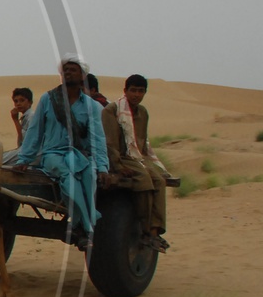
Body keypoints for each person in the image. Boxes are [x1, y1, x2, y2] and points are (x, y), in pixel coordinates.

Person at [14, 56, 109, 248]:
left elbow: (97, 139)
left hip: (80, 155)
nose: (68, 72)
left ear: (82, 75)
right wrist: (24, 158)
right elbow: (35, 131)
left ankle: (78, 226)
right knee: (67, 176)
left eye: (73, 69)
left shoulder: (91, 106)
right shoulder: (48, 99)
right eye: (65, 69)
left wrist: (102, 167)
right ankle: (83, 225)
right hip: (53, 155)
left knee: (89, 175)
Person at [101, 74, 170, 251]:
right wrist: (118, 166)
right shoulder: (112, 111)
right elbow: (110, 143)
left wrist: (149, 162)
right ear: (125, 91)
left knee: (159, 181)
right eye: (133, 90)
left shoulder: (143, 113)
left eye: (141, 91)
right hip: (121, 158)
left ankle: (155, 231)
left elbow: (141, 142)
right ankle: (145, 229)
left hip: (137, 157)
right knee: (144, 182)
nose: (136, 95)